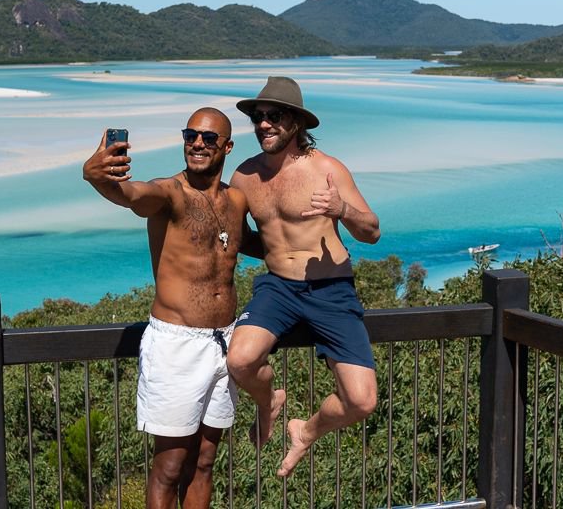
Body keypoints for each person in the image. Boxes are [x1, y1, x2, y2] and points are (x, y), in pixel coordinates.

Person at [83, 107, 260, 508]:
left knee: (204, 462)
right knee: (169, 466)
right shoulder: (169, 193)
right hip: (176, 345)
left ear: (227, 146)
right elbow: (131, 194)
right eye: (190, 135)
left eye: (208, 138)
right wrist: (98, 176)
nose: (197, 143)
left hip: (224, 343)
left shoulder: (236, 200)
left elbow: (258, 245)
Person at [226, 76, 381, 478]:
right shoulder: (244, 177)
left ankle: (306, 431)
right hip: (277, 288)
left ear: (296, 123)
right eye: (258, 117)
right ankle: (268, 403)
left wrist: (341, 209)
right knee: (240, 361)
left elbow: (372, 231)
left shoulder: (327, 169)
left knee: (362, 401)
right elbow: (241, 237)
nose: (263, 125)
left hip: (330, 290)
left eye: (273, 116)